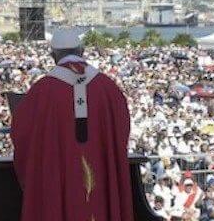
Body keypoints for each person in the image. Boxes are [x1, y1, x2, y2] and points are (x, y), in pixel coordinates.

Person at [12, 28, 134, 221]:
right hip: (102, 180)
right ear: (82, 51)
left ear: (53, 55)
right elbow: (122, 131)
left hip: (59, 180)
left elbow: (22, 135)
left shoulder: (41, 92)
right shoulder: (108, 88)